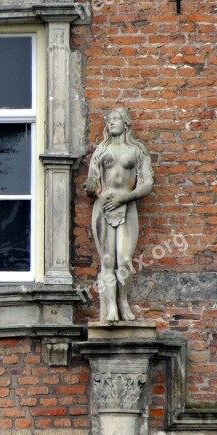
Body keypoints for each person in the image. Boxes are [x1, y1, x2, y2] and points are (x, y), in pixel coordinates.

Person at [85, 107, 154, 322]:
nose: (112, 122)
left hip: (127, 204)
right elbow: (91, 185)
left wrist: (124, 198)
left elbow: (148, 183)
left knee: (124, 261)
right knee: (107, 259)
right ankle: (111, 306)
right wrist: (94, 188)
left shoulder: (136, 150)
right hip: (104, 207)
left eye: (116, 119)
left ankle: (123, 302)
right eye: (109, 120)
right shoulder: (101, 150)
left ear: (126, 124)